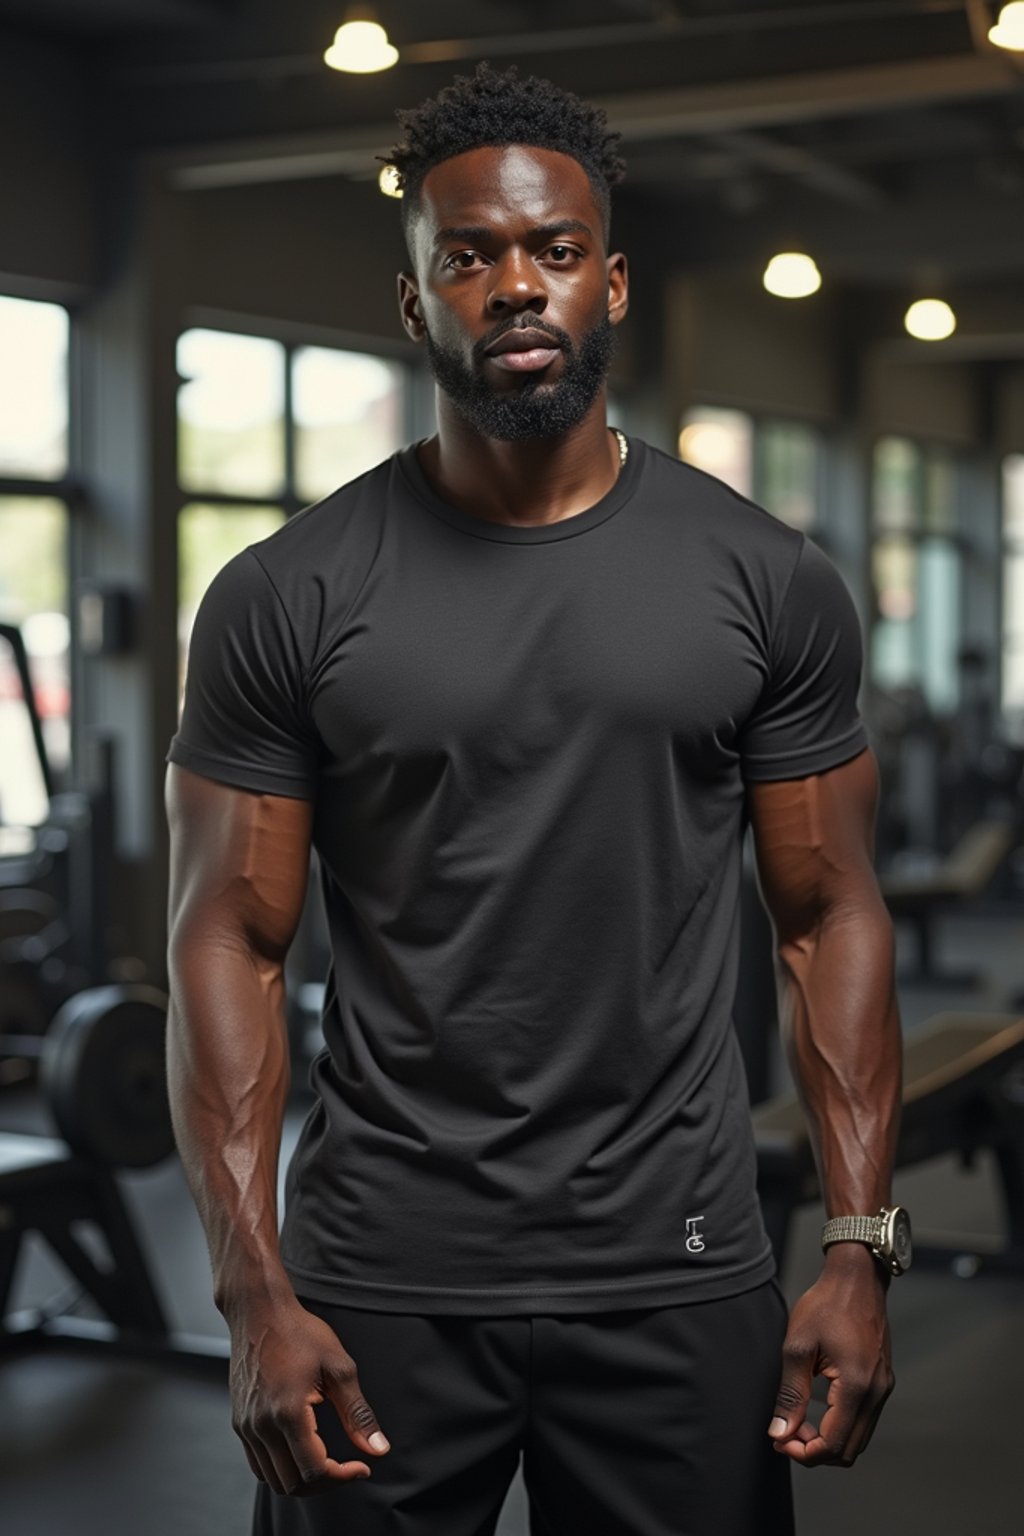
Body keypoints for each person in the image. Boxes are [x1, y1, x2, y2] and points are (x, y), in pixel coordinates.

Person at [165, 61, 905, 1536]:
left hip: (679, 1261)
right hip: (379, 1274)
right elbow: (224, 940)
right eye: (470, 256)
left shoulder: (766, 579)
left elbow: (828, 911)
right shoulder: (284, 596)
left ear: (610, 283)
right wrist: (255, 1289)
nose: (516, 286)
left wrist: (856, 1251)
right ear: (415, 304)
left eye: (553, 252)